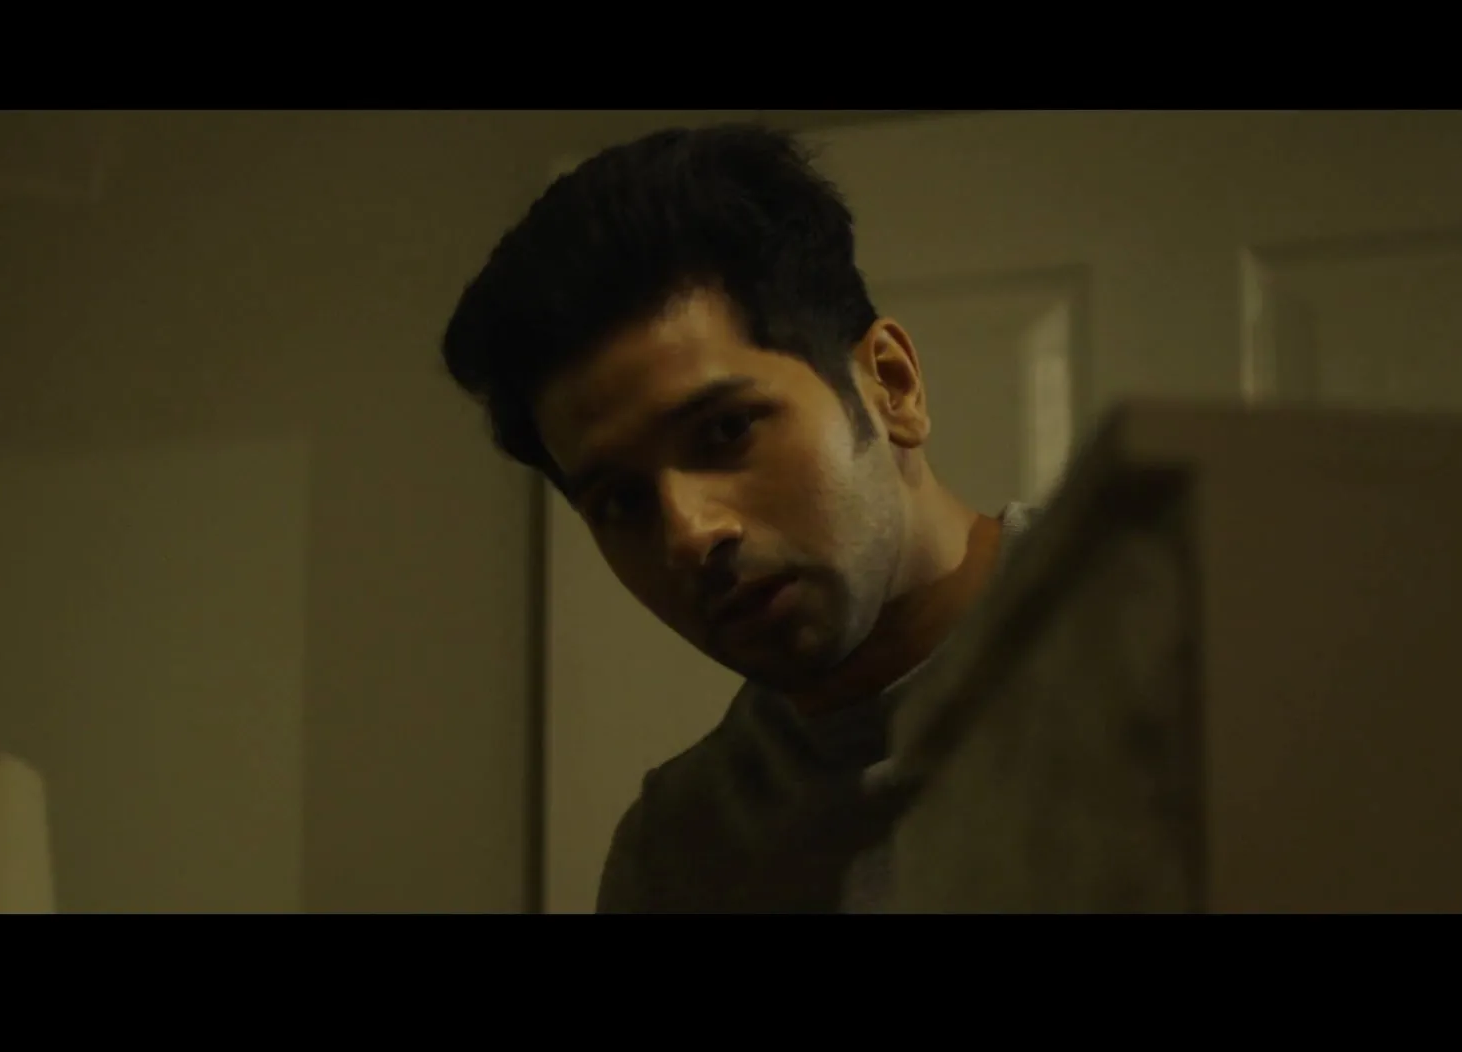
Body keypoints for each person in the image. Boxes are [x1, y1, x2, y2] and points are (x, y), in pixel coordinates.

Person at [441, 123, 1035, 913]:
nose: (689, 533)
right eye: (621, 501)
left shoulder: (1164, 630)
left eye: (726, 431)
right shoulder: (676, 855)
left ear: (892, 386)